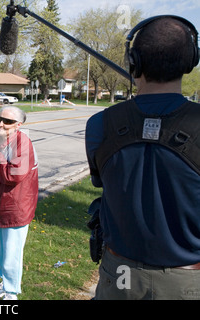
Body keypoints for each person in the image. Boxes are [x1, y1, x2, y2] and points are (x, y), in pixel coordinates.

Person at [85, 16, 200, 299]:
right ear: (190, 62)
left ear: (133, 63)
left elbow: (103, 182)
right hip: (188, 283)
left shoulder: (99, 125)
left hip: (118, 278)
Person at [0, 106, 39, 300]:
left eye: (8, 121)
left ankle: (11, 293)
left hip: (16, 207)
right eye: (0, 118)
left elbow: (15, 175)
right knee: (0, 248)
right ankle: (5, 283)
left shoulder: (23, 143)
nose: (1, 123)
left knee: (12, 252)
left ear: (18, 125)